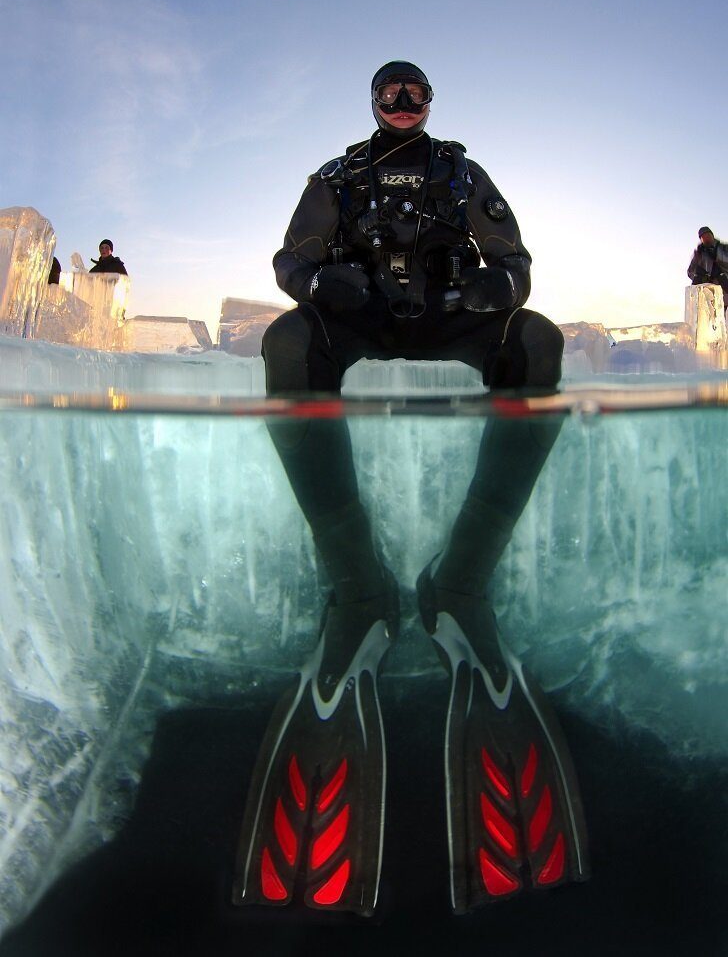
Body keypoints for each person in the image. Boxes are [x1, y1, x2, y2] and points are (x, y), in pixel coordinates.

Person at [232, 62, 588, 916]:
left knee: (533, 342)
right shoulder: (338, 177)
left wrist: (495, 287)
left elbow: (517, 263)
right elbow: (291, 257)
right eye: (389, 93)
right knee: (289, 343)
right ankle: (359, 587)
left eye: (413, 94)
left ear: (431, 102)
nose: (401, 105)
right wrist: (320, 285)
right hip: (357, 313)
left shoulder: (463, 174)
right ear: (371, 103)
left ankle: (458, 581)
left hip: (443, 312)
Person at [687, 226, 728, 310]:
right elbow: (690, 272)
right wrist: (696, 258)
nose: (706, 239)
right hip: (709, 292)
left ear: (712, 235)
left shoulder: (724, 248)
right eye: (703, 237)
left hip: (725, 285)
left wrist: (715, 253)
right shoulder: (700, 254)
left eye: (708, 235)